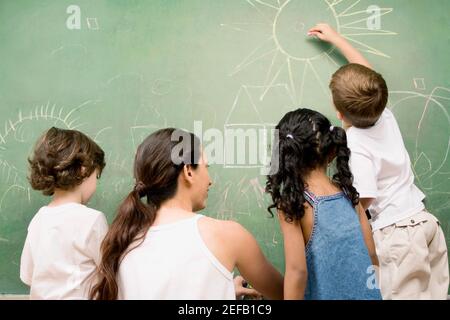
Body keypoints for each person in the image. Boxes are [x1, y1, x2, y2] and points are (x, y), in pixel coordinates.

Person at [308, 23, 449, 299]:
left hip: (397, 236)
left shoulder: (357, 145)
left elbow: (366, 200)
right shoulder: (384, 115)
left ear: (339, 114)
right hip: (424, 222)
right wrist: (337, 38)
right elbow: (368, 75)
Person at [90, 128, 283, 300]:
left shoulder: (123, 241)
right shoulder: (227, 235)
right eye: (206, 167)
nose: (210, 181)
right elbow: (287, 294)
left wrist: (222, 290)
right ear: (189, 171)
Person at [266, 108, 381, 300]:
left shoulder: (294, 204)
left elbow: (297, 272)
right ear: (331, 149)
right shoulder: (349, 196)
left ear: (286, 156)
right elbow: (371, 253)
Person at [20, 127, 108, 299]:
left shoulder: (39, 219)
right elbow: (109, 272)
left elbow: (28, 275)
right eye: (96, 176)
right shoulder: (93, 220)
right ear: (84, 170)